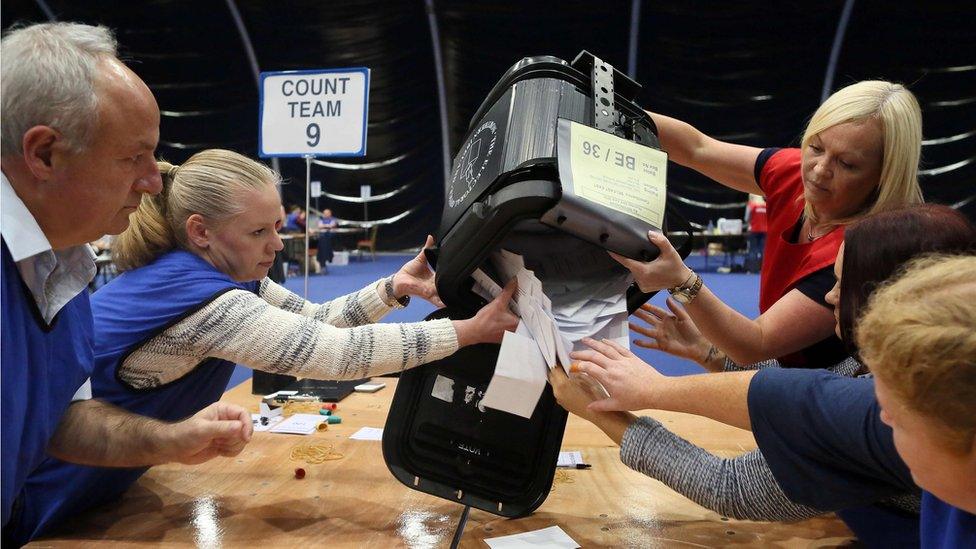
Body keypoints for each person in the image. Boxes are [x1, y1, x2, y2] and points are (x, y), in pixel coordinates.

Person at [11, 148, 519, 542]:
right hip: (44, 494)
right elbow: (335, 355)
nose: (277, 244)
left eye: (278, 226)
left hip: (102, 482)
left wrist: (394, 289)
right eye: (259, 231)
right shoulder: (207, 302)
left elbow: (318, 320)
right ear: (201, 232)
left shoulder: (226, 273)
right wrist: (470, 331)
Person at [551, 205, 975, 546]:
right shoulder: (888, 374)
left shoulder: (900, 401)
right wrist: (707, 353)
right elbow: (810, 395)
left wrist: (609, 408)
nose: (828, 296)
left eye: (842, 283)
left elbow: (730, 483)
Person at [0, 23, 252, 544]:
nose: (154, 181)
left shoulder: (63, 263)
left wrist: (172, 440)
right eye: (133, 157)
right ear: (44, 153)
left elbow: (63, 418)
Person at [615, 81, 924, 368]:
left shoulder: (862, 249)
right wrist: (613, 110)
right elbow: (697, 148)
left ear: (885, 175)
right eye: (815, 147)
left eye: (847, 164)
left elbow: (759, 345)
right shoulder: (793, 172)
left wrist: (682, 280)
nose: (818, 170)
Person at [743, 193, 767, 272]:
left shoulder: (751, 205)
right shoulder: (767, 205)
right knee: (764, 250)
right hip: (765, 231)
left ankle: (752, 269)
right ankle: (763, 270)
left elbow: (746, 218)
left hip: (754, 230)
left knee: (753, 250)